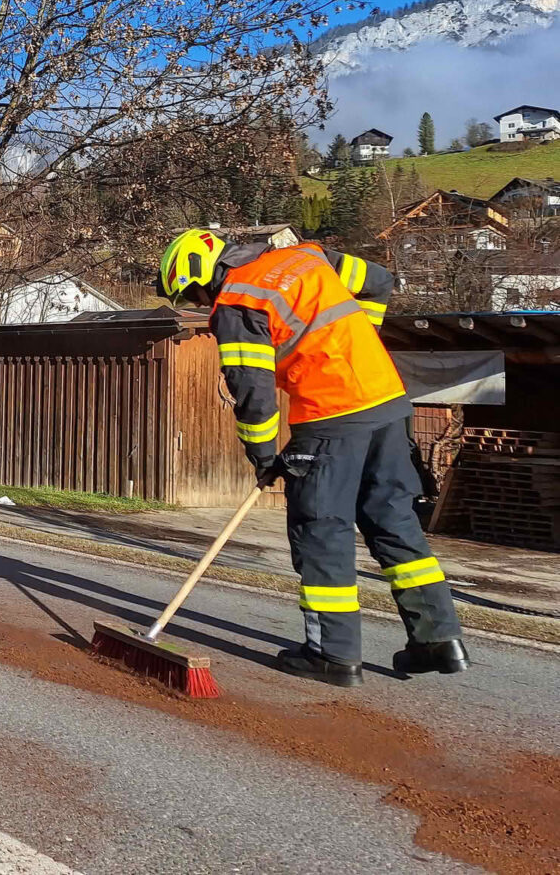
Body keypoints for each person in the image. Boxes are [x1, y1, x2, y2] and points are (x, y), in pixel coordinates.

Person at [160, 229, 468, 687]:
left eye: (193, 294)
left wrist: (264, 456)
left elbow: (254, 394)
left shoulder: (238, 303)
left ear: (202, 275)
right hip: (387, 404)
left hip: (330, 416)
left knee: (322, 532)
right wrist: (361, 338)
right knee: (394, 523)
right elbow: (380, 281)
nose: (203, 304)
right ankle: (438, 640)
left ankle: (333, 654)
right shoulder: (308, 256)